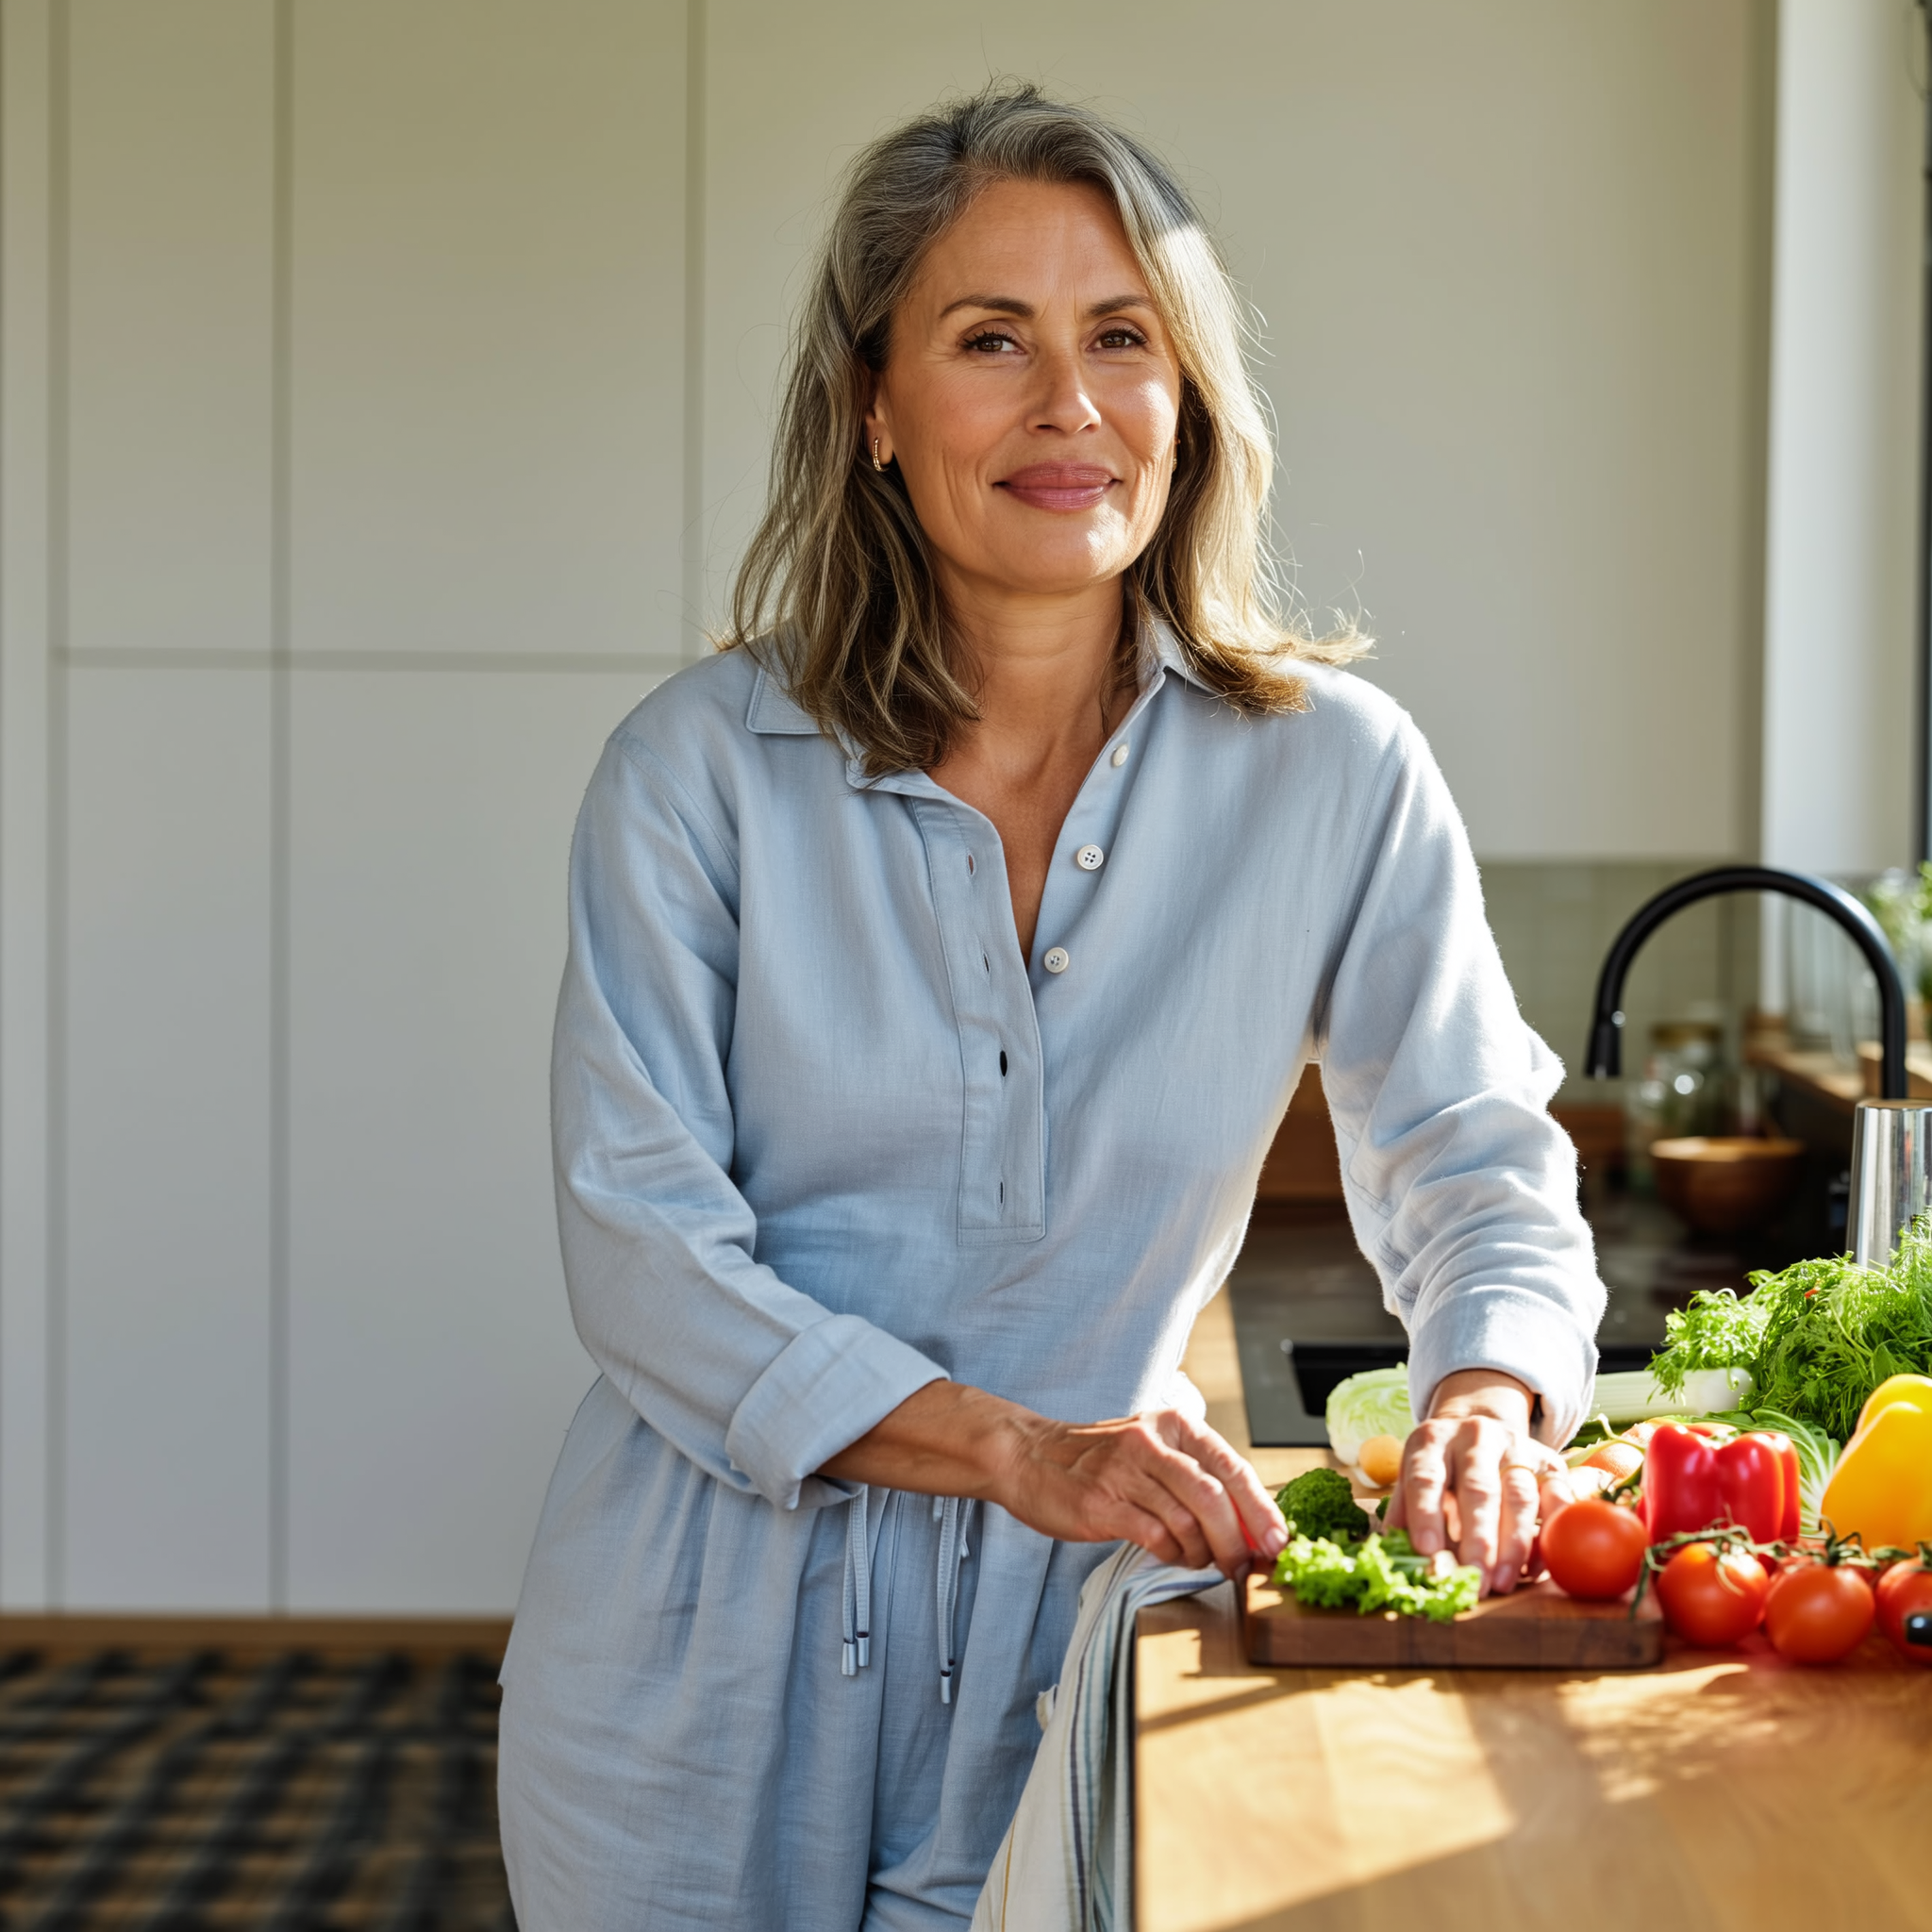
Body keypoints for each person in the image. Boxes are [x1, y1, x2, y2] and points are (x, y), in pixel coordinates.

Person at [497, 82, 1601, 1931]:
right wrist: (1018, 1444)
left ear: (1189, 399)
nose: (1067, 405)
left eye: (1123, 339)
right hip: (687, 1654)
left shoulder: (1335, 775)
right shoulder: (694, 771)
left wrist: (1488, 1383)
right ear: (872, 400)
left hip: (1079, 1648)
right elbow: (641, 1251)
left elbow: (1473, 1155)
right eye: (987, 339)